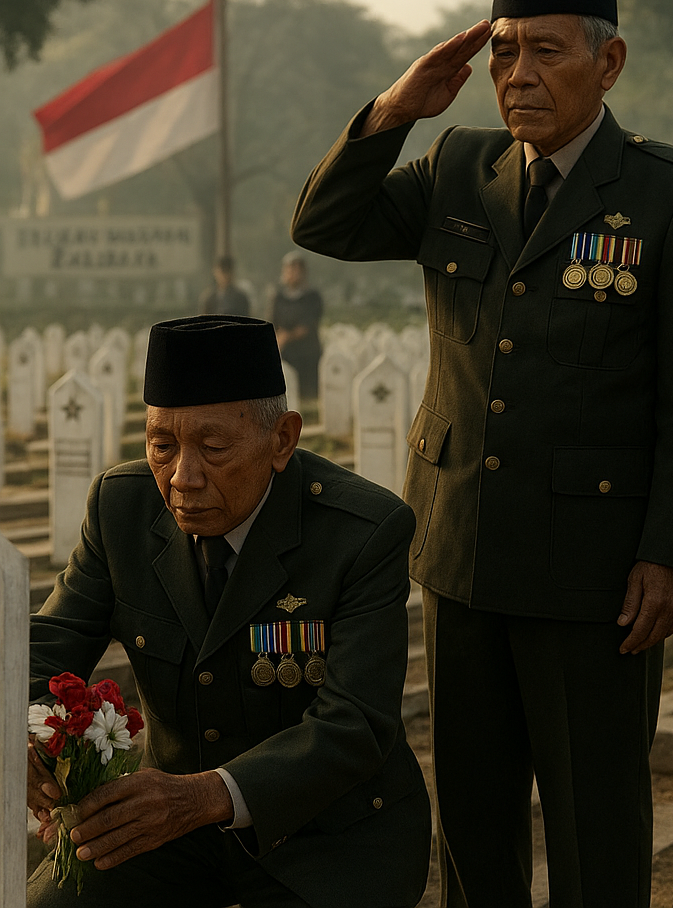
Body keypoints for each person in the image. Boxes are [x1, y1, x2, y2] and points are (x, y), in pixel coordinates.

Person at [290, 0, 673, 908]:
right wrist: (397, 110)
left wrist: (672, 553)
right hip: (464, 553)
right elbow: (324, 224)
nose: (516, 74)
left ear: (609, 63)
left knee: (593, 826)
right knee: (473, 824)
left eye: (544, 51)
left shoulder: (671, 193)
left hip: (595, 571)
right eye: (501, 52)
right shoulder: (459, 166)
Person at [27, 315, 431, 908]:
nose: (182, 479)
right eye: (162, 446)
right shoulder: (122, 508)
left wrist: (205, 795)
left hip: (323, 837)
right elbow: (45, 644)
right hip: (163, 825)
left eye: (213, 448)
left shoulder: (359, 534)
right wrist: (23, 738)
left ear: (282, 440)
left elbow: (355, 724)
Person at [268, 253, 323, 402]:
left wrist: (288, 336)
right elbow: (273, 323)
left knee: (307, 396)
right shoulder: (278, 297)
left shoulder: (312, 297)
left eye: (296, 269)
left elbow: (308, 325)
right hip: (286, 353)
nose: (292, 274)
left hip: (307, 353)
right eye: (289, 269)